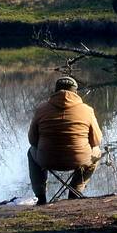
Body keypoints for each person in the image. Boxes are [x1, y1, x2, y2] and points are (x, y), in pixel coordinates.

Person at [27, 76, 102, 204]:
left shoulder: (41, 109)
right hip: (78, 160)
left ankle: (40, 196)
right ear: (76, 92)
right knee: (97, 153)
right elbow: (96, 141)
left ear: (55, 91)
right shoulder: (87, 110)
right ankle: (75, 191)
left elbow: (32, 140)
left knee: (31, 152)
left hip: (47, 159)